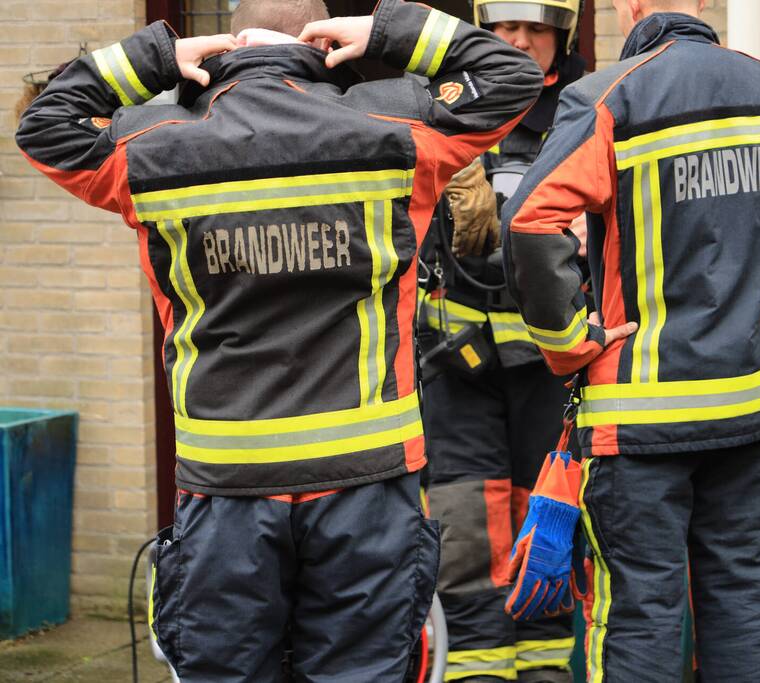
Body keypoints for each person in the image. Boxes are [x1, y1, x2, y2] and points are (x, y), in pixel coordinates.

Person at [16, 0, 542, 679]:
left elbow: (43, 124)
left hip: (226, 488)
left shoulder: (151, 144)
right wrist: (386, 32)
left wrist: (152, 56)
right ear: (321, 38)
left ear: (233, 38)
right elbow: (511, 77)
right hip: (367, 483)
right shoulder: (396, 127)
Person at [501, 0, 760, 680]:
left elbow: (530, 220)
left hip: (640, 421)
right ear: (702, 9)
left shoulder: (607, 97)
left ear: (630, 9)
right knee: (748, 609)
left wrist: (569, 342)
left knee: (639, 618)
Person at [417, 0, 587, 680]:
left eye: (535, 30)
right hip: (455, 366)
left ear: (560, 36)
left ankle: (544, 669)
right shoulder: (440, 108)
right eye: (505, 29)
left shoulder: (584, 112)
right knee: (464, 535)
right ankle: (477, 670)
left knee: (543, 532)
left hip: (550, 366)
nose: (518, 43)